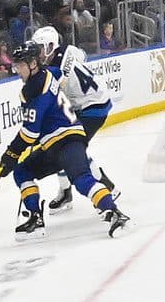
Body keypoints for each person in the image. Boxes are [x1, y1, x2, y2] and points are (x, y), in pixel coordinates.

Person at [0, 48, 128, 239]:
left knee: (81, 179)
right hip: (57, 143)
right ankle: (35, 218)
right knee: (22, 171)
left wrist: (11, 153)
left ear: (33, 64)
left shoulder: (31, 90)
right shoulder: (50, 73)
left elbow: (30, 132)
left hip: (68, 141)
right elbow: (60, 77)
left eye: (20, 66)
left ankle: (115, 213)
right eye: (15, 66)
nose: (17, 70)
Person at [25, 24, 118, 211]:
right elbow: (82, 56)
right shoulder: (69, 49)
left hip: (91, 108)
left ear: (51, 47)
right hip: (94, 101)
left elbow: (50, 92)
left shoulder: (52, 70)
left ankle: (106, 187)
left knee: (66, 147)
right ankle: (67, 191)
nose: (37, 53)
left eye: (40, 48)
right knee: (59, 143)